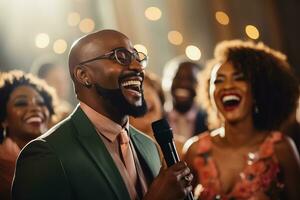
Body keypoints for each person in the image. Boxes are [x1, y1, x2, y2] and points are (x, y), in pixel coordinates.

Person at [12, 30, 193, 200]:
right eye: (121, 57)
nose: (138, 67)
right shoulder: (46, 154)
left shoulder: (149, 147)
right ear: (84, 75)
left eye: (138, 58)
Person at [183, 40, 300, 200]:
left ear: (257, 89)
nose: (227, 86)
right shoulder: (195, 151)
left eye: (239, 78)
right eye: (219, 80)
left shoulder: (280, 149)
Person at [0, 70, 57, 200]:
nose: (35, 108)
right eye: (21, 103)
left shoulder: (62, 155)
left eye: (41, 103)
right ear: (4, 118)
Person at [166, 61, 208, 143]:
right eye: (178, 78)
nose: (183, 84)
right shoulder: (158, 118)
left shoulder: (208, 122)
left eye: (190, 79)